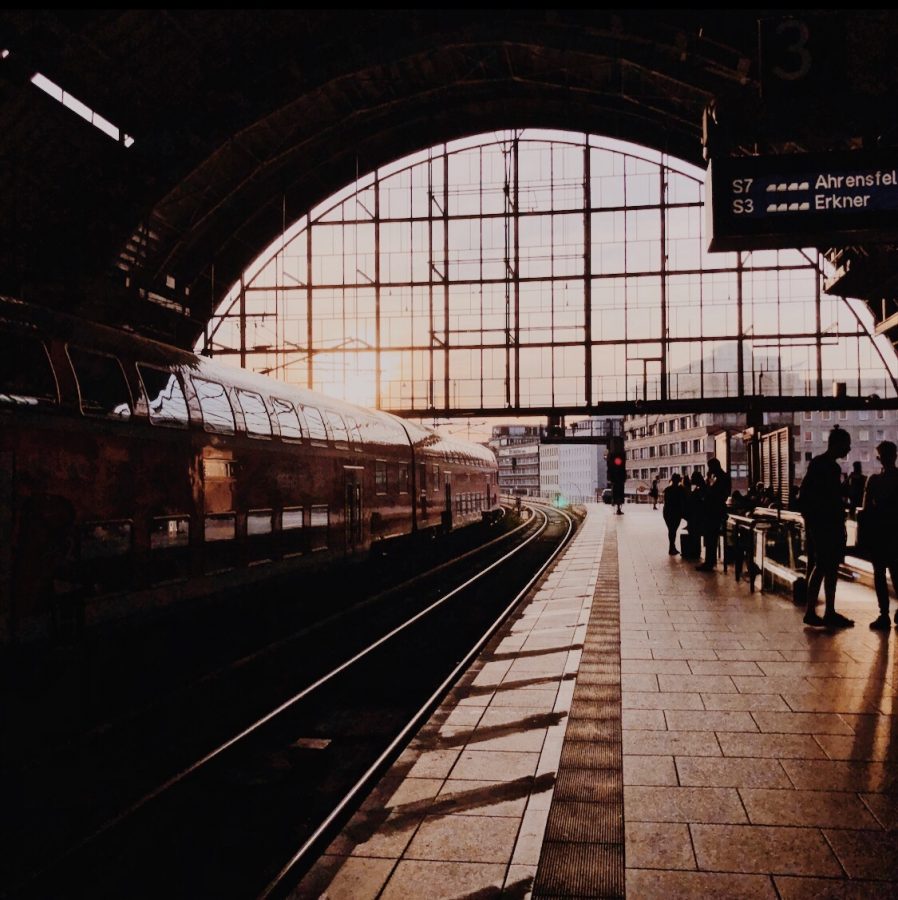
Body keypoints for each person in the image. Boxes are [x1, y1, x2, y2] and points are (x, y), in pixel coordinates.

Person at [799, 427, 854, 628]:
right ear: (837, 444)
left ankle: (819, 610)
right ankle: (817, 611)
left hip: (820, 523)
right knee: (825, 566)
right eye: (846, 445)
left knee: (826, 567)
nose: (849, 449)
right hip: (827, 524)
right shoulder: (829, 467)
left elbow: (807, 496)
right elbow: (829, 497)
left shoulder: (819, 465)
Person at [859, 441, 898, 630]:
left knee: (880, 575)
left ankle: (884, 614)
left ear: (879, 458)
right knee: (897, 573)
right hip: (895, 534)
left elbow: (866, 509)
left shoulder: (874, 481)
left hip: (879, 534)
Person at [696, 458, 731, 572]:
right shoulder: (717, 477)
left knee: (711, 537)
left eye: (710, 467)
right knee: (710, 537)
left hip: (715, 511)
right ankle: (709, 561)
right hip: (712, 510)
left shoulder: (722, 478)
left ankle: (710, 562)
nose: (709, 469)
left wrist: (706, 484)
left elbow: (715, 494)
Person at [662, 473, 686, 555]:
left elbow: (666, 502)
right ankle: (672, 547)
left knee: (671, 530)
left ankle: (672, 547)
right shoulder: (681, 490)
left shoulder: (667, 489)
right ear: (679, 480)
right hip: (675, 512)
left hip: (667, 512)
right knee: (673, 530)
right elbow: (683, 501)